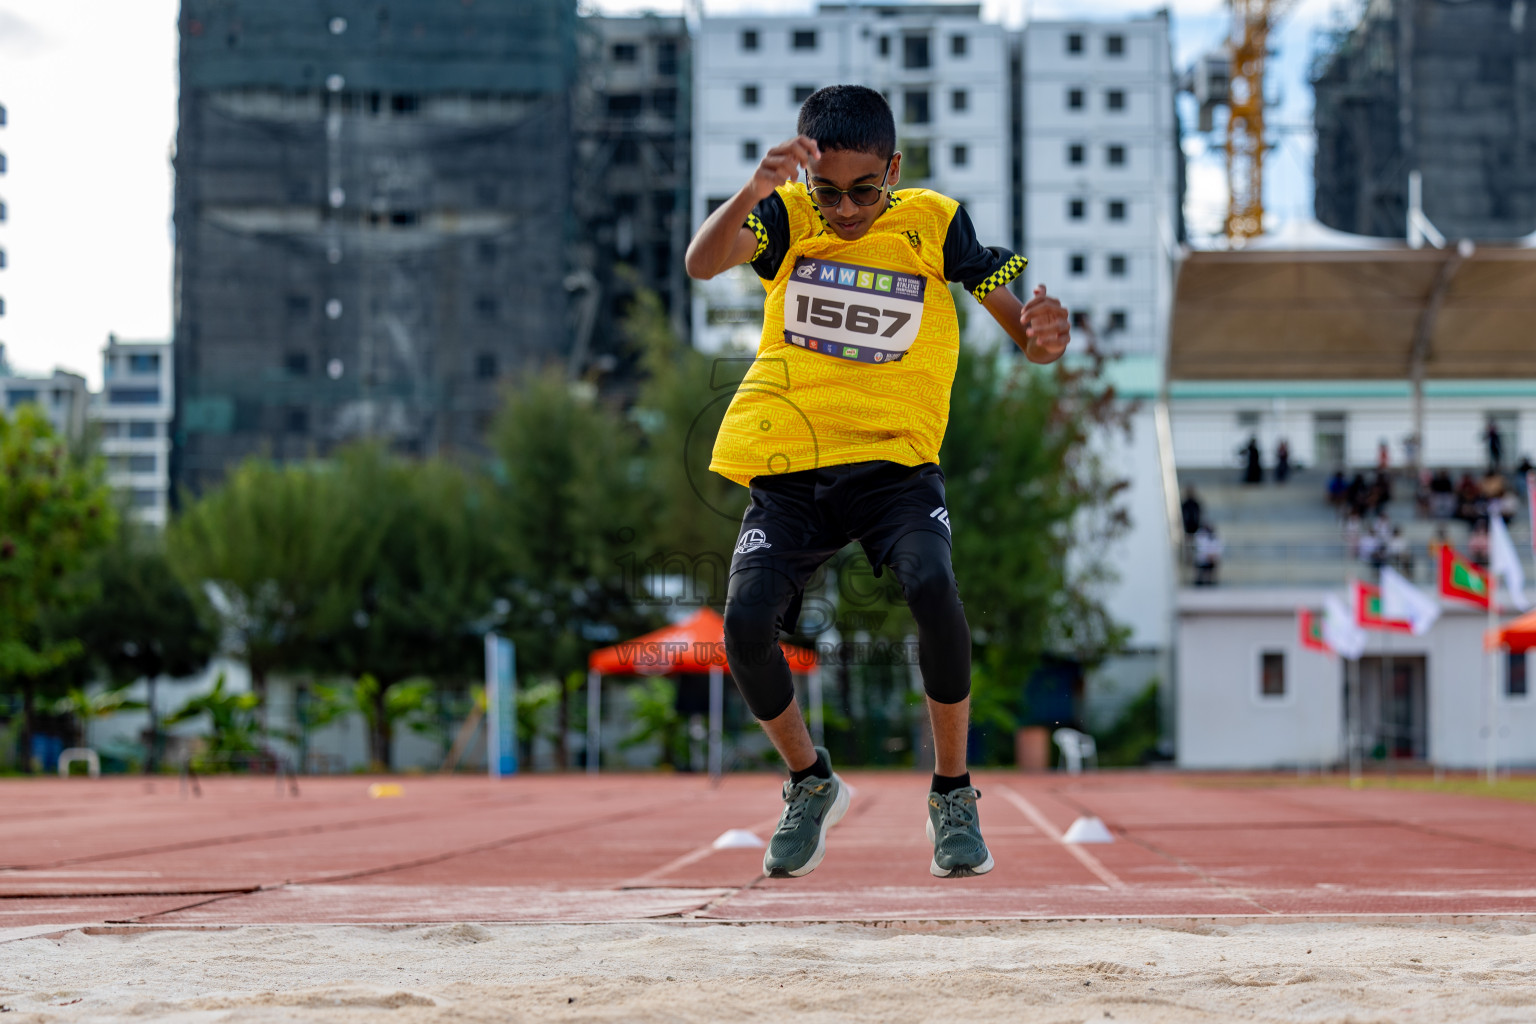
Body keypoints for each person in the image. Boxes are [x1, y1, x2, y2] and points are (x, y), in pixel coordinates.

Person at [684, 86, 1069, 880]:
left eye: (866, 190)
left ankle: (953, 795)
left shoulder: (932, 221)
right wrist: (759, 190)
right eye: (829, 191)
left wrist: (1039, 338)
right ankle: (810, 781)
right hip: (789, 462)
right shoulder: (786, 216)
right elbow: (700, 262)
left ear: (893, 169)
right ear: (806, 176)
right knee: (746, 626)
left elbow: (1021, 333)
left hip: (895, 462)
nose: (847, 208)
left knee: (932, 583)